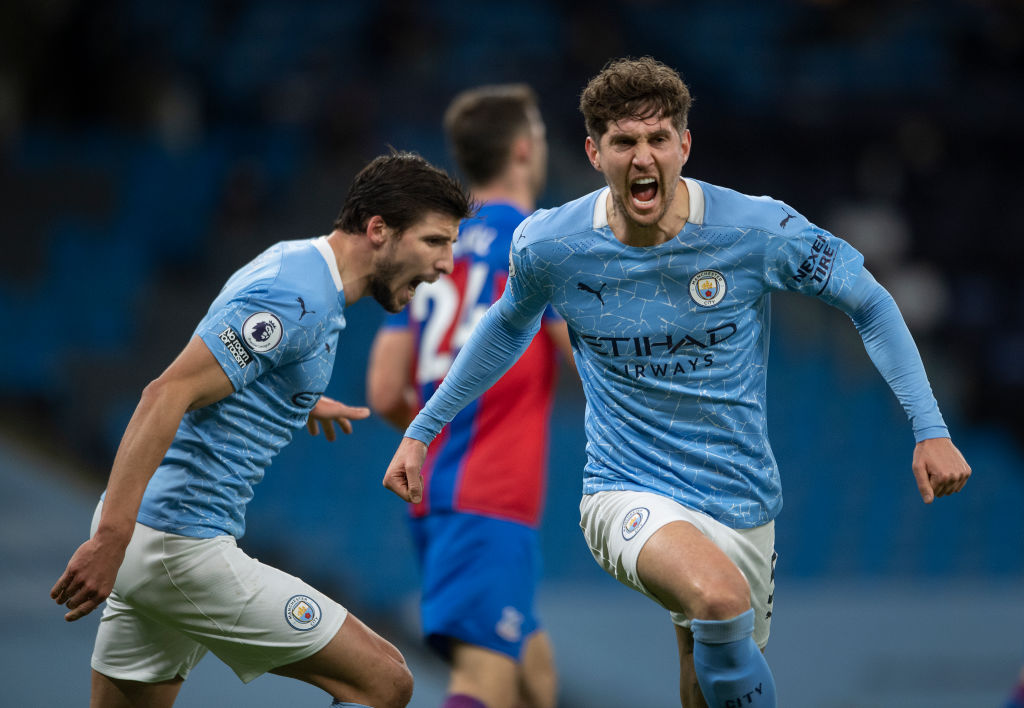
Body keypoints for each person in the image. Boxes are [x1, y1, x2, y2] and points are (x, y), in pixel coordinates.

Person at [381, 57, 972, 708]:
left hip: (740, 501)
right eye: (624, 142)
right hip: (623, 490)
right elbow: (502, 331)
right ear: (594, 151)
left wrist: (930, 428)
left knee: (705, 670)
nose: (643, 157)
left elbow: (870, 302)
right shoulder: (550, 245)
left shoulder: (756, 229)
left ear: (684, 145)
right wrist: (422, 430)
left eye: (658, 139)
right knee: (718, 597)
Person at [50, 151, 472, 708]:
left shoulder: (296, 263)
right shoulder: (298, 299)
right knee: (386, 680)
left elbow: (234, 364)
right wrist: (109, 539)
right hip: (178, 543)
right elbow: (166, 393)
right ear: (378, 230)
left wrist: (297, 399)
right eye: (435, 242)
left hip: (154, 541)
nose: (445, 264)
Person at [367, 85, 571, 708]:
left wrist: (439, 430)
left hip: (438, 495)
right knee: (485, 684)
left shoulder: (438, 245)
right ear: (522, 148)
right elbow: (587, 360)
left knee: (534, 677)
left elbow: (382, 388)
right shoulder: (541, 242)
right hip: (491, 497)